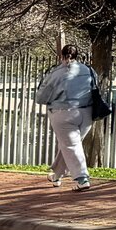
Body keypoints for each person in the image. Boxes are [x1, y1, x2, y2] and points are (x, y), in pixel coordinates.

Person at [33, 44, 97, 191]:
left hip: (63, 113)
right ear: (77, 56)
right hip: (87, 113)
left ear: (61, 56)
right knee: (69, 144)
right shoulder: (88, 70)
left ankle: (82, 179)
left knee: (71, 146)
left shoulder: (55, 73)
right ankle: (57, 176)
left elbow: (41, 97)